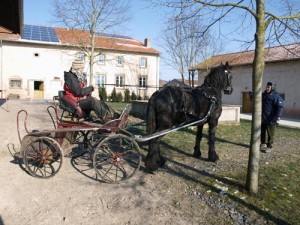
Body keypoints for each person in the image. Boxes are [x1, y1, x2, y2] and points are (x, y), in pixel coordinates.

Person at [260, 82, 284, 153]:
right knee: (262, 132)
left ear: (272, 88)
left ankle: (269, 146)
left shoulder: (276, 96)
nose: (267, 88)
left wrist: (278, 116)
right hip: (263, 118)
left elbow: (280, 107)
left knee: (270, 133)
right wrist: (252, 95)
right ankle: (263, 144)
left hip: (271, 119)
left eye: (268, 87)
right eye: (266, 87)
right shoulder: (263, 95)